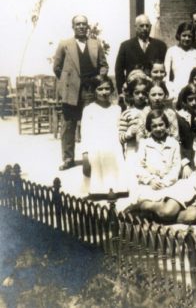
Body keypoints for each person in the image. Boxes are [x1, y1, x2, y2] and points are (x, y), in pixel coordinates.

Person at [53, 14, 108, 170]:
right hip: (71, 90)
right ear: (73, 27)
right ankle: (68, 159)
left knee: (91, 122)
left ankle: (93, 157)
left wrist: (100, 77)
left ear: (87, 26)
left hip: (90, 90)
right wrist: (68, 81)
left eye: (84, 24)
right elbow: (57, 67)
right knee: (68, 125)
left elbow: (104, 65)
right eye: (78, 24)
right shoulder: (64, 44)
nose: (81, 26)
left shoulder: (95, 44)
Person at [80, 75, 129, 198]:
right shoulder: (89, 109)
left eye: (107, 89)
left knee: (113, 165)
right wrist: (85, 154)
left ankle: (114, 188)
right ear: (94, 91)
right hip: (96, 146)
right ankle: (97, 190)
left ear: (112, 90)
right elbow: (85, 133)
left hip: (113, 145)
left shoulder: (117, 109)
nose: (104, 92)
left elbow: (120, 130)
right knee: (97, 166)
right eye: (100, 89)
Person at [114, 14, 168, 93]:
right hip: (133, 91)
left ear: (151, 27)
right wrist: (121, 92)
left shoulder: (160, 46)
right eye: (141, 26)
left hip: (154, 91)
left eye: (147, 26)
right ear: (135, 27)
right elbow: (119, 70)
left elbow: (166, 69)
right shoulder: (125, 46)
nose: (145, 28)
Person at [164, 21, 196, 100]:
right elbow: (166, 75)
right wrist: (170, 92)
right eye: (184, 35)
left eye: (189, 36)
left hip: (194, 92)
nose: (187, 38)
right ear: (179, 35)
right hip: (177, 90)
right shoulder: (171, 51)